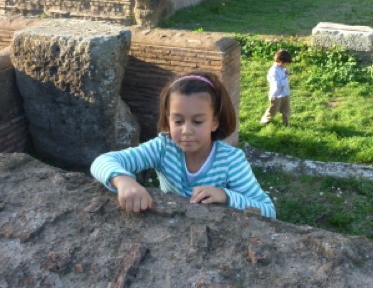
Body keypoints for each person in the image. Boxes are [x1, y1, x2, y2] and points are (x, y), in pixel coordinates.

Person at [90, 71, 276, 218]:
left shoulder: (231, 161)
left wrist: (225, 196)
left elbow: (267, 210)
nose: (186, 130)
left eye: (197, 122)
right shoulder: (163, 148)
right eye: (178, 121)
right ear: (167, 119)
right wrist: (124, 181)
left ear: (214, 122)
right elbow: (102, 161)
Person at [260, 49, 292, 126]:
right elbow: (278, 84)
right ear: (281, 62)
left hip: (285, 93)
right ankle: (264, 122)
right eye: (286, 64)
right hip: (276, 95)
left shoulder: (282, 68)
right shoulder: (273, 71)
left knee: (286, 110)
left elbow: (283, 73)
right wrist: (286, 78)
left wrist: (286, 72)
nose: (286, 66)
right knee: (272, 111)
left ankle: (286, 123)